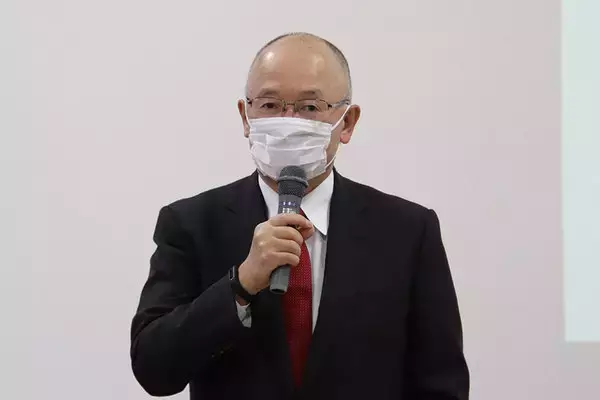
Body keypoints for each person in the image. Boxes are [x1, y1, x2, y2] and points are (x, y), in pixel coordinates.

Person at [130, 32, 469, 400]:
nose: (288, 122)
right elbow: (153, 368)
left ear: (347, 122)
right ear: (245, 116)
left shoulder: (408, 232)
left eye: (309, 107)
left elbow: (441, 384)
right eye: (270, 105)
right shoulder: (191, 224)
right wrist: (241, 284)